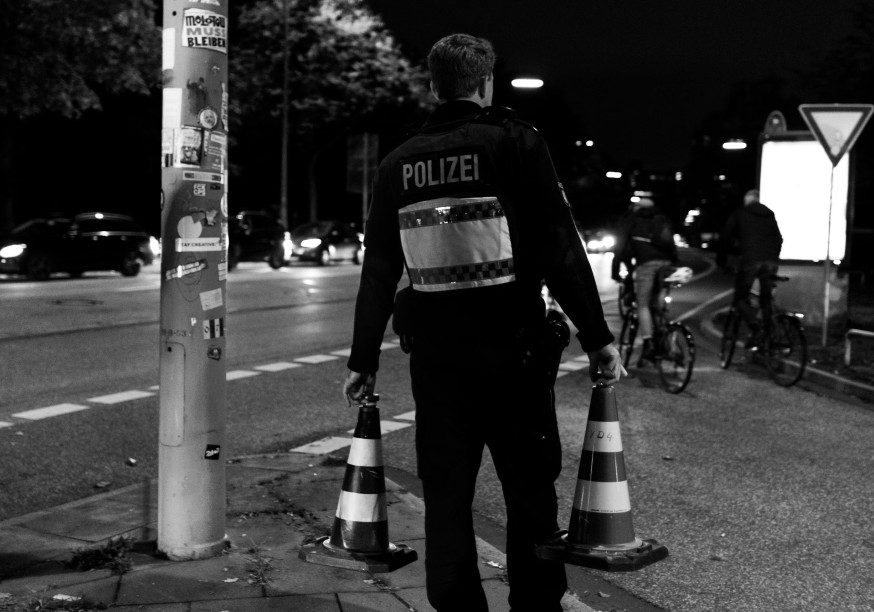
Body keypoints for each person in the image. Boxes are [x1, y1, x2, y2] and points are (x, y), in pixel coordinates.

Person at [342, 33, 625, 612]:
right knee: (528, 494)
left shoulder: (399, 163)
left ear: (432, 85)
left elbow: (378, 272)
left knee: (446, 499)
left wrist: (362, 359)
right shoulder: (515, 143)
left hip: (439, 365)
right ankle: (536, 604)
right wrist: (597, 338)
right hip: (514, 356)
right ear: (486, 82)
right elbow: (559, 249)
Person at [611, 196, 677, 364]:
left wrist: (615, 270)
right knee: (658, 304)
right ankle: (664, 336)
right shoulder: (662, 219)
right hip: (666, 264)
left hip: (646, 264)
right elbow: (671, 243)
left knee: (643, 304)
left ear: (637, 207)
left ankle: (648, 343)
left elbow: (621, 245)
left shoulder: (632, 220)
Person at [717, 188, 783, 345]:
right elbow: (779, 239)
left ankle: (756, 328)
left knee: (740, 298)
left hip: (750, 261)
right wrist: (773, 258)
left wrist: (722, 261)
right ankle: (769, 337)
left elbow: (725, 237)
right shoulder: (769, 214)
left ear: (747, 200)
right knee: (765, 300)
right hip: (771, 261)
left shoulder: (739, 214)